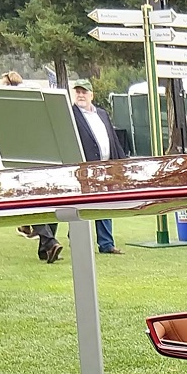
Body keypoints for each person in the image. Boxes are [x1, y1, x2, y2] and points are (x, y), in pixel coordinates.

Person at [70, 80, 123, 253]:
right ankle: (76, 240)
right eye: (77, 91)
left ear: (91, 95)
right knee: (80, 205)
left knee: (105, 204)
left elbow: (112, 138)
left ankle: (106, 244)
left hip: (105, 166)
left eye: (84, 92)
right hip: (82, 168)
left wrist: (121, 162)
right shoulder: (70, 114)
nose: (80, 95)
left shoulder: (102, 113)